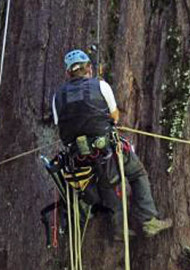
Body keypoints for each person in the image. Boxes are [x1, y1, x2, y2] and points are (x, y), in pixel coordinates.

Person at [52, 49, 172, 240]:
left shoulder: (57, 96)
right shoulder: (101, 86)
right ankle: (148, 219)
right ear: (89, 68)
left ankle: (119, 229)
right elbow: (114, 115)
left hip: (79, 160)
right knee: (136, 172)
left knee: (106, 182)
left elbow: (60, 125)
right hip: (106, 149)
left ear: (68, 73)